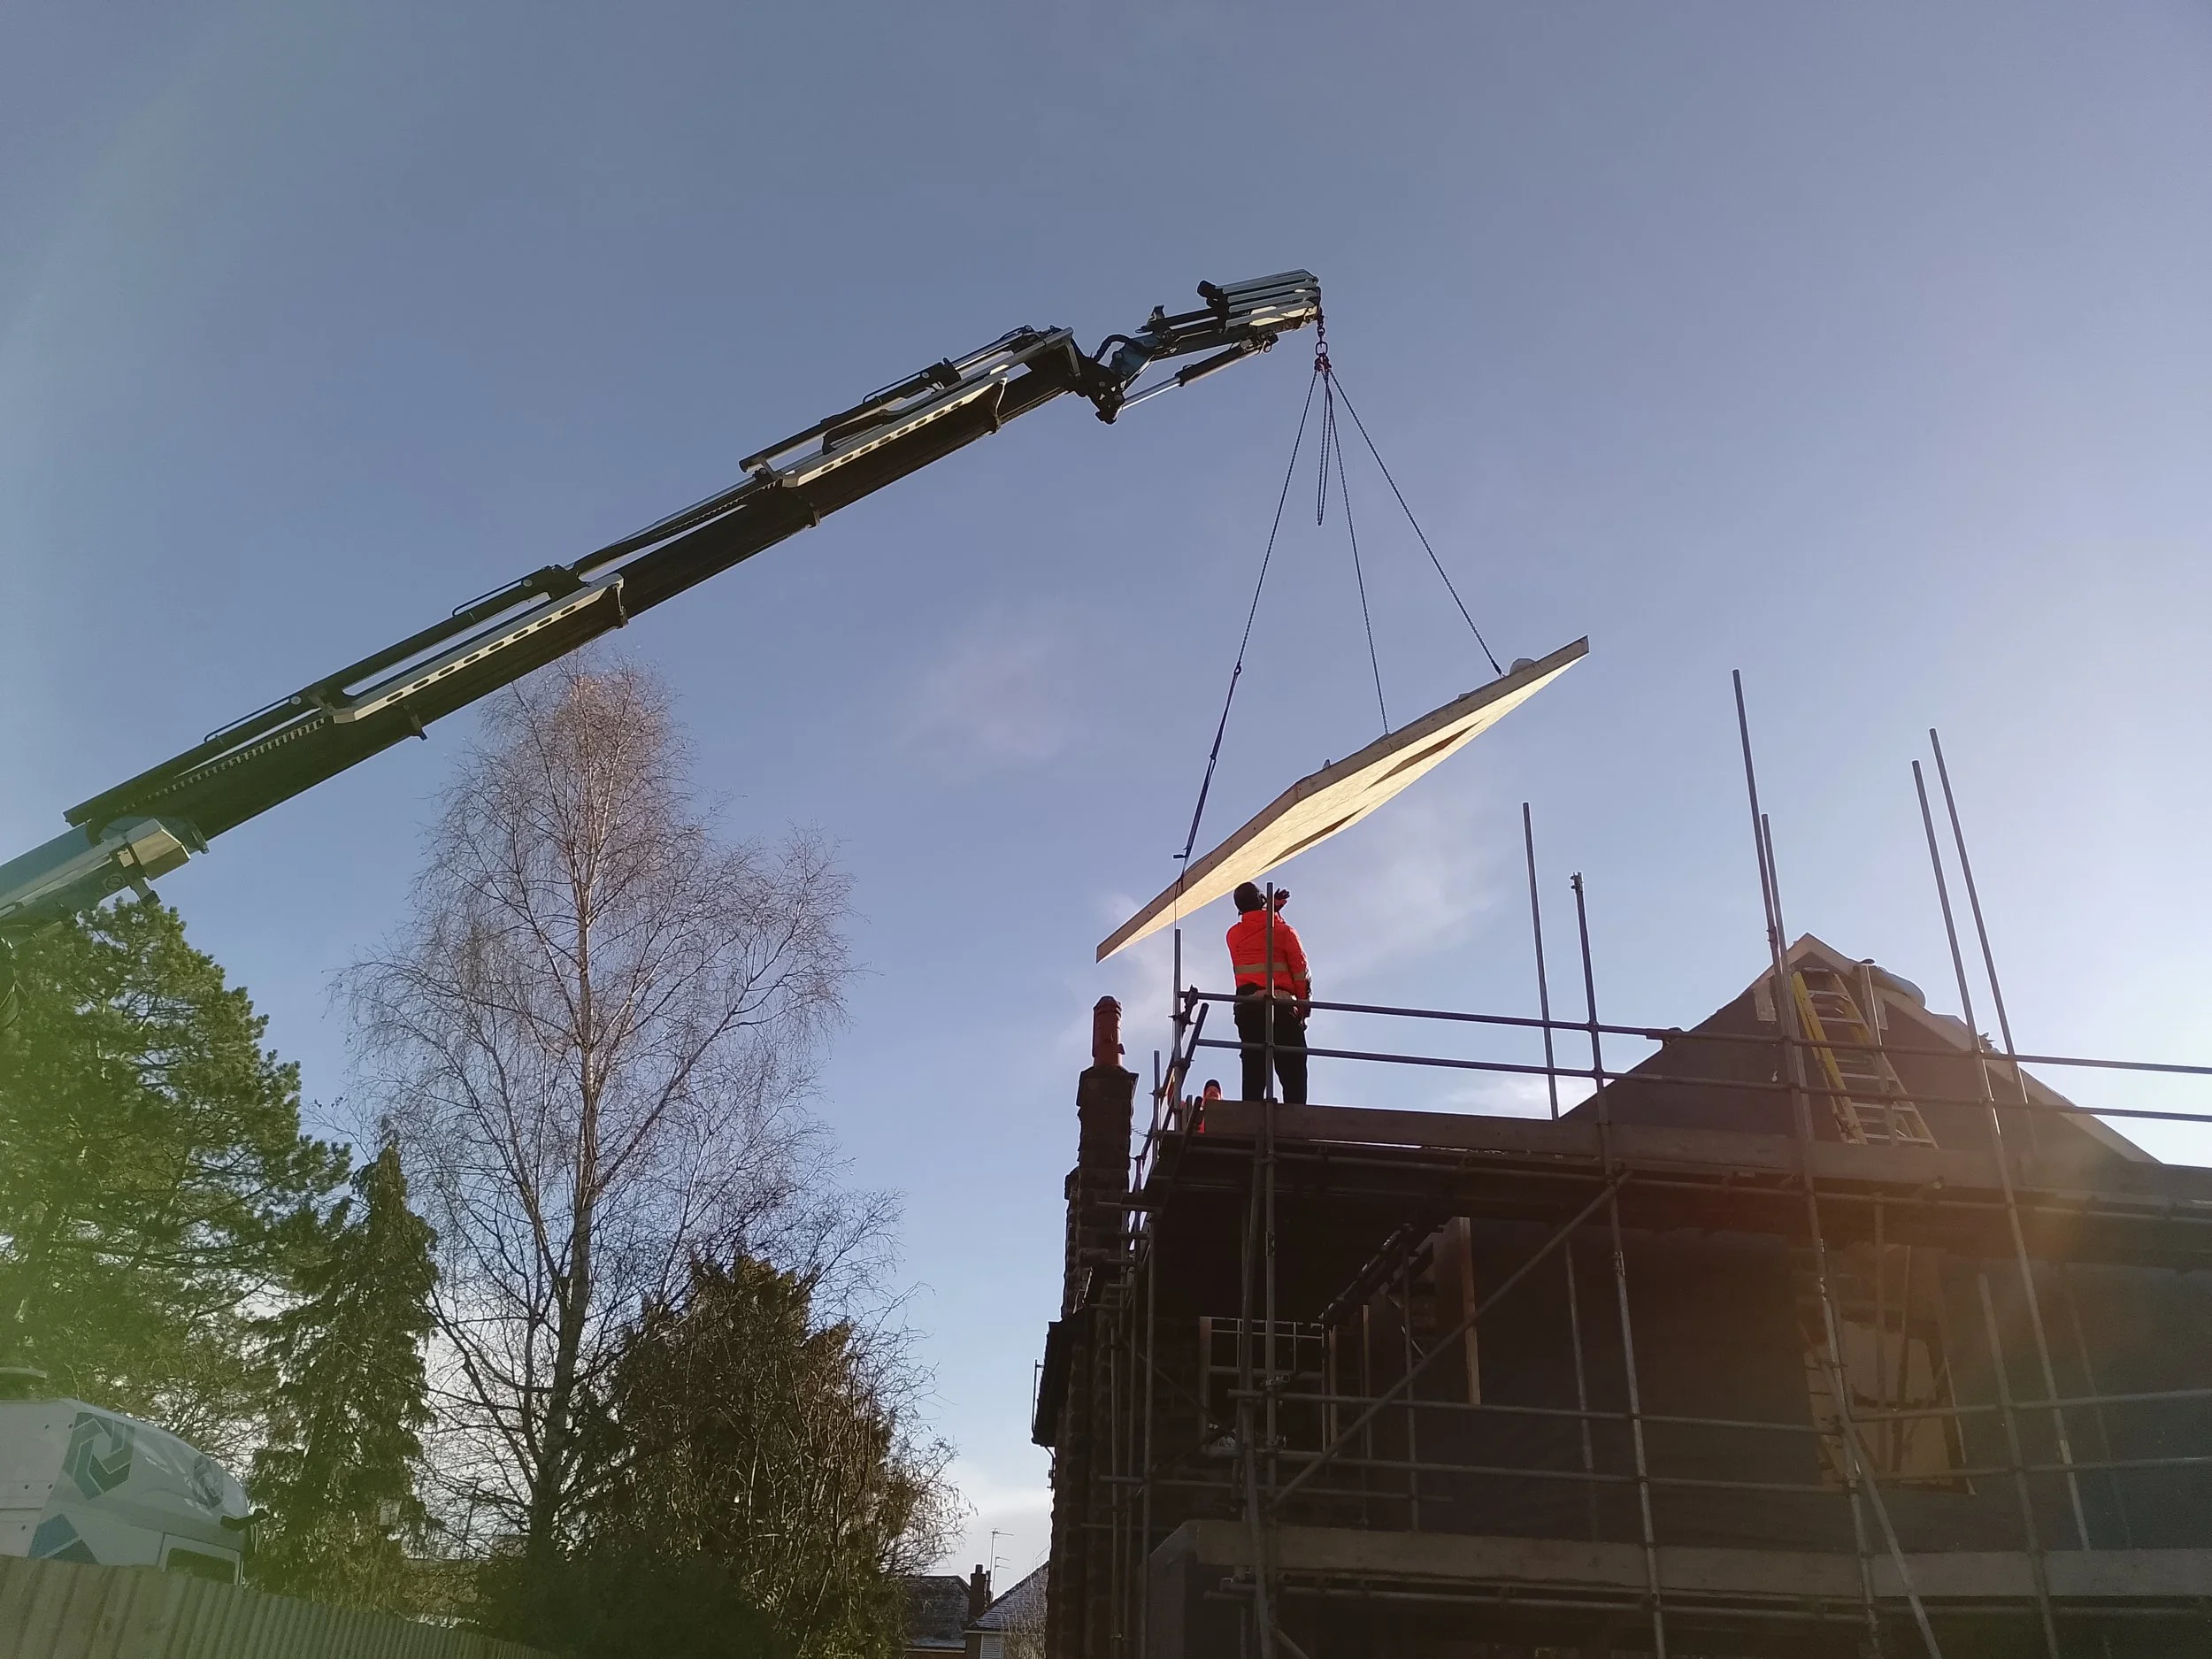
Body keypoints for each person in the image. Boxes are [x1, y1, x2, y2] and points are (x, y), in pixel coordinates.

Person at [1226, 881, 1310, 1103]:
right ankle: (1296, 1118)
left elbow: (1256, 931)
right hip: (1281, 1008)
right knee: (1293, 1068)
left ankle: (1251, 1116)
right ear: (1262, 901)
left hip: (1248, 1009)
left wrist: (1269, 911)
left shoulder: (1233, 935)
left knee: (1254, 1066)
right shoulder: (1284, 931)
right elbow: (1301, 972)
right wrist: (1303, 1008)